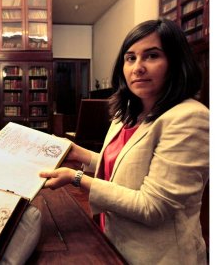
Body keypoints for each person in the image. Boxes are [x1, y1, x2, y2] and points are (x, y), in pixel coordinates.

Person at [39, 18, 209, 264]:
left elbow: (153, 206)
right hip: (113, 240)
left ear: (175, 62)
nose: (138, 67)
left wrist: (77, 178)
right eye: (130, 58)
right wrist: (80, 154)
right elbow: (127, 168)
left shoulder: (190, 117)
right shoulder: (126, 114)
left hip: (157, 256)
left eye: (151, 56)